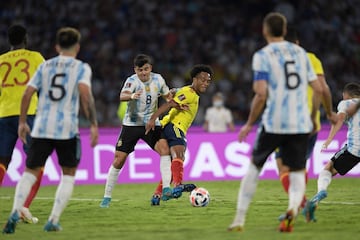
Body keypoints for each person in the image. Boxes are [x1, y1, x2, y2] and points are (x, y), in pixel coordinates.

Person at [227, 12, 323, 233]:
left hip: (274, 122)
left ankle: (239, 220)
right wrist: (314, 116)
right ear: (285, 29)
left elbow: (260, 94)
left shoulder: (262, 55)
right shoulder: (302, 54)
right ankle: (292, 210)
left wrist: (249, 123)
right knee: (298, 171)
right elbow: (318, 88)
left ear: (265, 30)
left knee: (254, 168)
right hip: (300, 123)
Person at [2, 27, 98, 234]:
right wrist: (93, 124)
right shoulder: (81, 67)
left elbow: (27, 93)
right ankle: (53, 220)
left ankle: (14, 213)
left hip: (40, 125)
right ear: (78, 47)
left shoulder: (45, 67)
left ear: (56, 47)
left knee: (29, 171)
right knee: (68, 174)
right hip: (66, 128)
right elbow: (85, 96)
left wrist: (21, 122)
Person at [275, 26, 337, 213]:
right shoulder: (311, 58)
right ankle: (302, 205)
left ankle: (300, 204)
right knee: (298, 166)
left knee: (284, 168)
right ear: (298, 42)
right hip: (310, 125)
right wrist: (328, 112)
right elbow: (322, 88)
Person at [99, 54, 173, 208]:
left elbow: (167, 97)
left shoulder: (158, 79)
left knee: (165, 150)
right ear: (136, 70)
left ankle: (166, 188)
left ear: (150, 68)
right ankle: (106, 197)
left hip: (151, 124)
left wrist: (177, 102)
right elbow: (122, 96)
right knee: (119, 160)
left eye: (146, 69)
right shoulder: (132, 81)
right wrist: (132, 95)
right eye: (140, 70)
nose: (143, 73)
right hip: (131, 125)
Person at [145, 64, 213, 205]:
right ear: (194, 79)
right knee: (179, 155)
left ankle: (157, 195)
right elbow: (170, 104)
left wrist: (174, 91)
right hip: (175, 127)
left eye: (208, 81)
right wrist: (153, 118)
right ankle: (178, 185)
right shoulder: (190, 93)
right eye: (202, 79)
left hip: (168, 126)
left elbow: (175, 93)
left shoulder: (187, 91)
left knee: (172, 165)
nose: (205, 83)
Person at [0, 24, 45, 223]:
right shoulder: (35, 57)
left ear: (8, 40)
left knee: (2, 162)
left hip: (4, 116)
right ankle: (23, 208)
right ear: (25, 38)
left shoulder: (0, 61)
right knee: (37, 163)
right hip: (29, 116)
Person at [302, 82, 360, 222]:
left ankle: (320, 193)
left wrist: (328, 140)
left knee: (327, 170)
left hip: (355, 148)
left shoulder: (345, 103)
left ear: (346, 94)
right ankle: (314, 203)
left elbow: (339, 120)